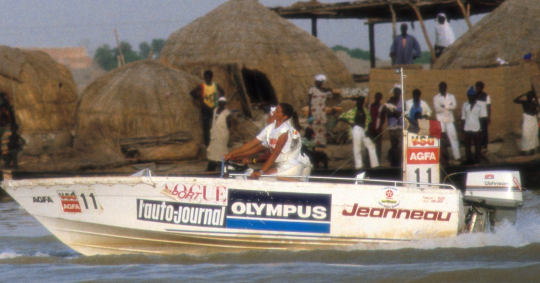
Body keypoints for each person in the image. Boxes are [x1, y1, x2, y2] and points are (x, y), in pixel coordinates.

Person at [340, 96, 379, 169]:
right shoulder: (353, 111)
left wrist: (367, 131)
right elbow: (342, 117)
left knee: (371, 146)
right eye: (358, 101)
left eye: (361, 101)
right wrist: (351, 124)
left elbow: (369, 121)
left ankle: (375, 164)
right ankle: (359, 165)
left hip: (364, 130)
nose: (359, 103)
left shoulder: (365, 110)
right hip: (356, 129)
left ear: (363, 102)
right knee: (357, 147)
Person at [190, 70, 225, 147]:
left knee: (215, 126)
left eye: (208, 78)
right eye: (205, 78)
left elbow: (222, 92)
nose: (207, 79)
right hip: (205, 108)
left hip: (214, 108)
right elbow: (192, 92)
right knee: (206, 127)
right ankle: (207, 145)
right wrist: (199, 97)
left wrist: (219, 101)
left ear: (212, 78)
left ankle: (216, 143)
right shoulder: (202, 86)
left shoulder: (216, 85)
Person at [433, 82, 461, 161]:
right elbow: (437, 109)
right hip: (441, 120)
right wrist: (449, 106)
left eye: (443, 87)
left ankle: (457, 156)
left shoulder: (451, 96)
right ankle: (442, 157)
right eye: (440, 88)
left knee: (453, 137)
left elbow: (454, 106)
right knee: (441, 138)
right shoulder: (436, 98)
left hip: (449, 120)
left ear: (445, 88)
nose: (441, 89)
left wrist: (444, 106)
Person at [461, 86, 487, 165]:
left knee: (478, 146)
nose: (470, 97)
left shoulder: (480, 105)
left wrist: (482, 130)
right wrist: (463, 130)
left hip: (476, 128)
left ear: (474, 96)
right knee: (467, 147)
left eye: (472, 95)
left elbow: (483, 118)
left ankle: (478, 161)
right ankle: (469, 160)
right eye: (469, 95)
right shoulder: (465, 105)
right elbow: (463, 118)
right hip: (467, 128)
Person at [206, 97, 232, 172]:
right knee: (213, 150)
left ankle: (222, 167)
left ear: (225, 104)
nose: (221, 104)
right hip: (214, 133)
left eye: (222, 102)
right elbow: (213, 120)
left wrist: (228, 133)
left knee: (222, 150)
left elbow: (229, 125)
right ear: (218, 102)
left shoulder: (227, 113)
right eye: (220, 102)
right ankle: (211, 167)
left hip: (222, 134)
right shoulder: (214, 110)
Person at [308, 74, 334, 145]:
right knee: (314, 128)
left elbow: (331, 93)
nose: (317, 83)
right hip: (314, 113)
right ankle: (314, 144)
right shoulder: (312, 90)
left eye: (319, 82)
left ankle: (322, 144)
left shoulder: (326, 91)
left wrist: (325, 89)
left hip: (322, 113)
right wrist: (309, 113)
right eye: (316, 82)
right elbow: (309, 102)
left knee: (322, 128)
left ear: (323, 82)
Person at [513, 91, 539, 155]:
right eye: (528, 96)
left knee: (533, 134)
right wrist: (523, 94)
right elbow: (515, 100)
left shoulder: (534, 103)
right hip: (527, 120)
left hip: (533, 120)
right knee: (526, 135)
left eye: (530, 96)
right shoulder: (524, 102)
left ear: (532, 97)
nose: (529, 97)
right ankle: (524, 150)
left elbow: (536, 112)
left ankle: (532, 150)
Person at [386, 85, 403, 167]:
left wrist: (394, 113)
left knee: (399, 143)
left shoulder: (402, 102)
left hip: (399, 125)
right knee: (393, 143)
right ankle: (393, 161)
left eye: (398, 92)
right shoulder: (389, 101)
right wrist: (396, 113)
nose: (396, 93)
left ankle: (399, 161)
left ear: (400, 93)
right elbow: (388, 112)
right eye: (395, 92)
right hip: (391, 125)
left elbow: (402, 113)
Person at [367, 92, 386, 161]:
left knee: (378, 146)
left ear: (381, 98)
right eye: (376, 97)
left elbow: (383, 119)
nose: (377, 99)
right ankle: (370, 160)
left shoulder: (382, 107)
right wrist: (368, 129)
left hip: (378, 130)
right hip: (371, 129)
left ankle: (378, 160)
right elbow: (368, 117)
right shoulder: (371, 106)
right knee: (370, 145)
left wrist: (379, 128)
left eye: (379, 97)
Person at [475, 81, 491, 151]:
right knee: (478, 132)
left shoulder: (486, 96)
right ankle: (479, 146)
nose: (477, 89)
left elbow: (489, 107)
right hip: (476, 118)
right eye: (477, 88)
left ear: (482, 88)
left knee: (484, 133)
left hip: (484, 117)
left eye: (479, 88)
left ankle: (485, 146)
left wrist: (489, 117)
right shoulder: (474, 96)